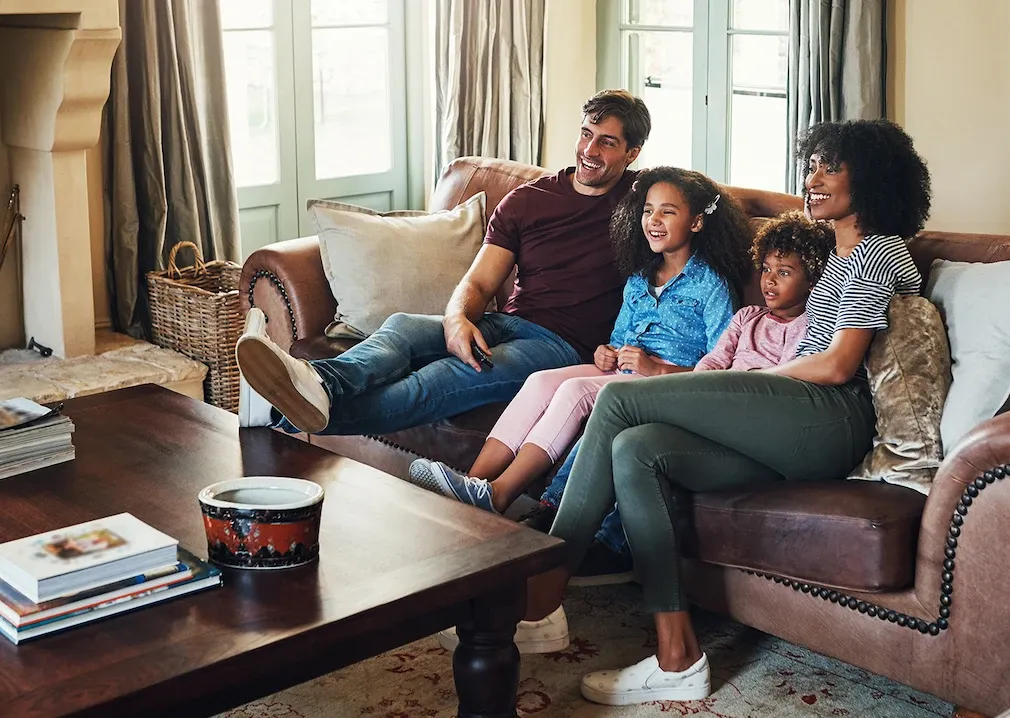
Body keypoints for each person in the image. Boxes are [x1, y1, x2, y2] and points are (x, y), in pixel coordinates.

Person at [520, 119, 932, 705]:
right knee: (635, 449)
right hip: (791, 418)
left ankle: (540, 594)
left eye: (828, 168)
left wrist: (748, 381)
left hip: (828, 419)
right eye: (810, 165)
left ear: (871, 180)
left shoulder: (876, 253)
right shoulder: (837, 258)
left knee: (617, 397)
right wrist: (750, 384)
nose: (810, 180)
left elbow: (839, 366)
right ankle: (677, 657)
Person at [233, 89, 652, 435]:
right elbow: (480, 284)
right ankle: (320, 381)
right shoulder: (529, 201)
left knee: (435, 382)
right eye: (585, 134)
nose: (589, 150)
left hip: (562, 348)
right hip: (506, 322)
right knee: (401, 326)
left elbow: (700, 218)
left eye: (606, 142)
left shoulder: (646, 204)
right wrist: (457, 321)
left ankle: (277, 418)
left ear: (632, 153)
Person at [403, 167, 753, 519]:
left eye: (668, 211)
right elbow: (617, 343)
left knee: (576, 391)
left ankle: (500, 493)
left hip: (668, 385)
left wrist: (658, 367)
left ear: (696, 223)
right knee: (540, 381)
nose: (654, 220)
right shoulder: (638, 278)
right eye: (648, 210)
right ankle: (471, 483)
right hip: (624, 374)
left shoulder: (712, 285)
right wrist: (607, 353)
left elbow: (721, 372)